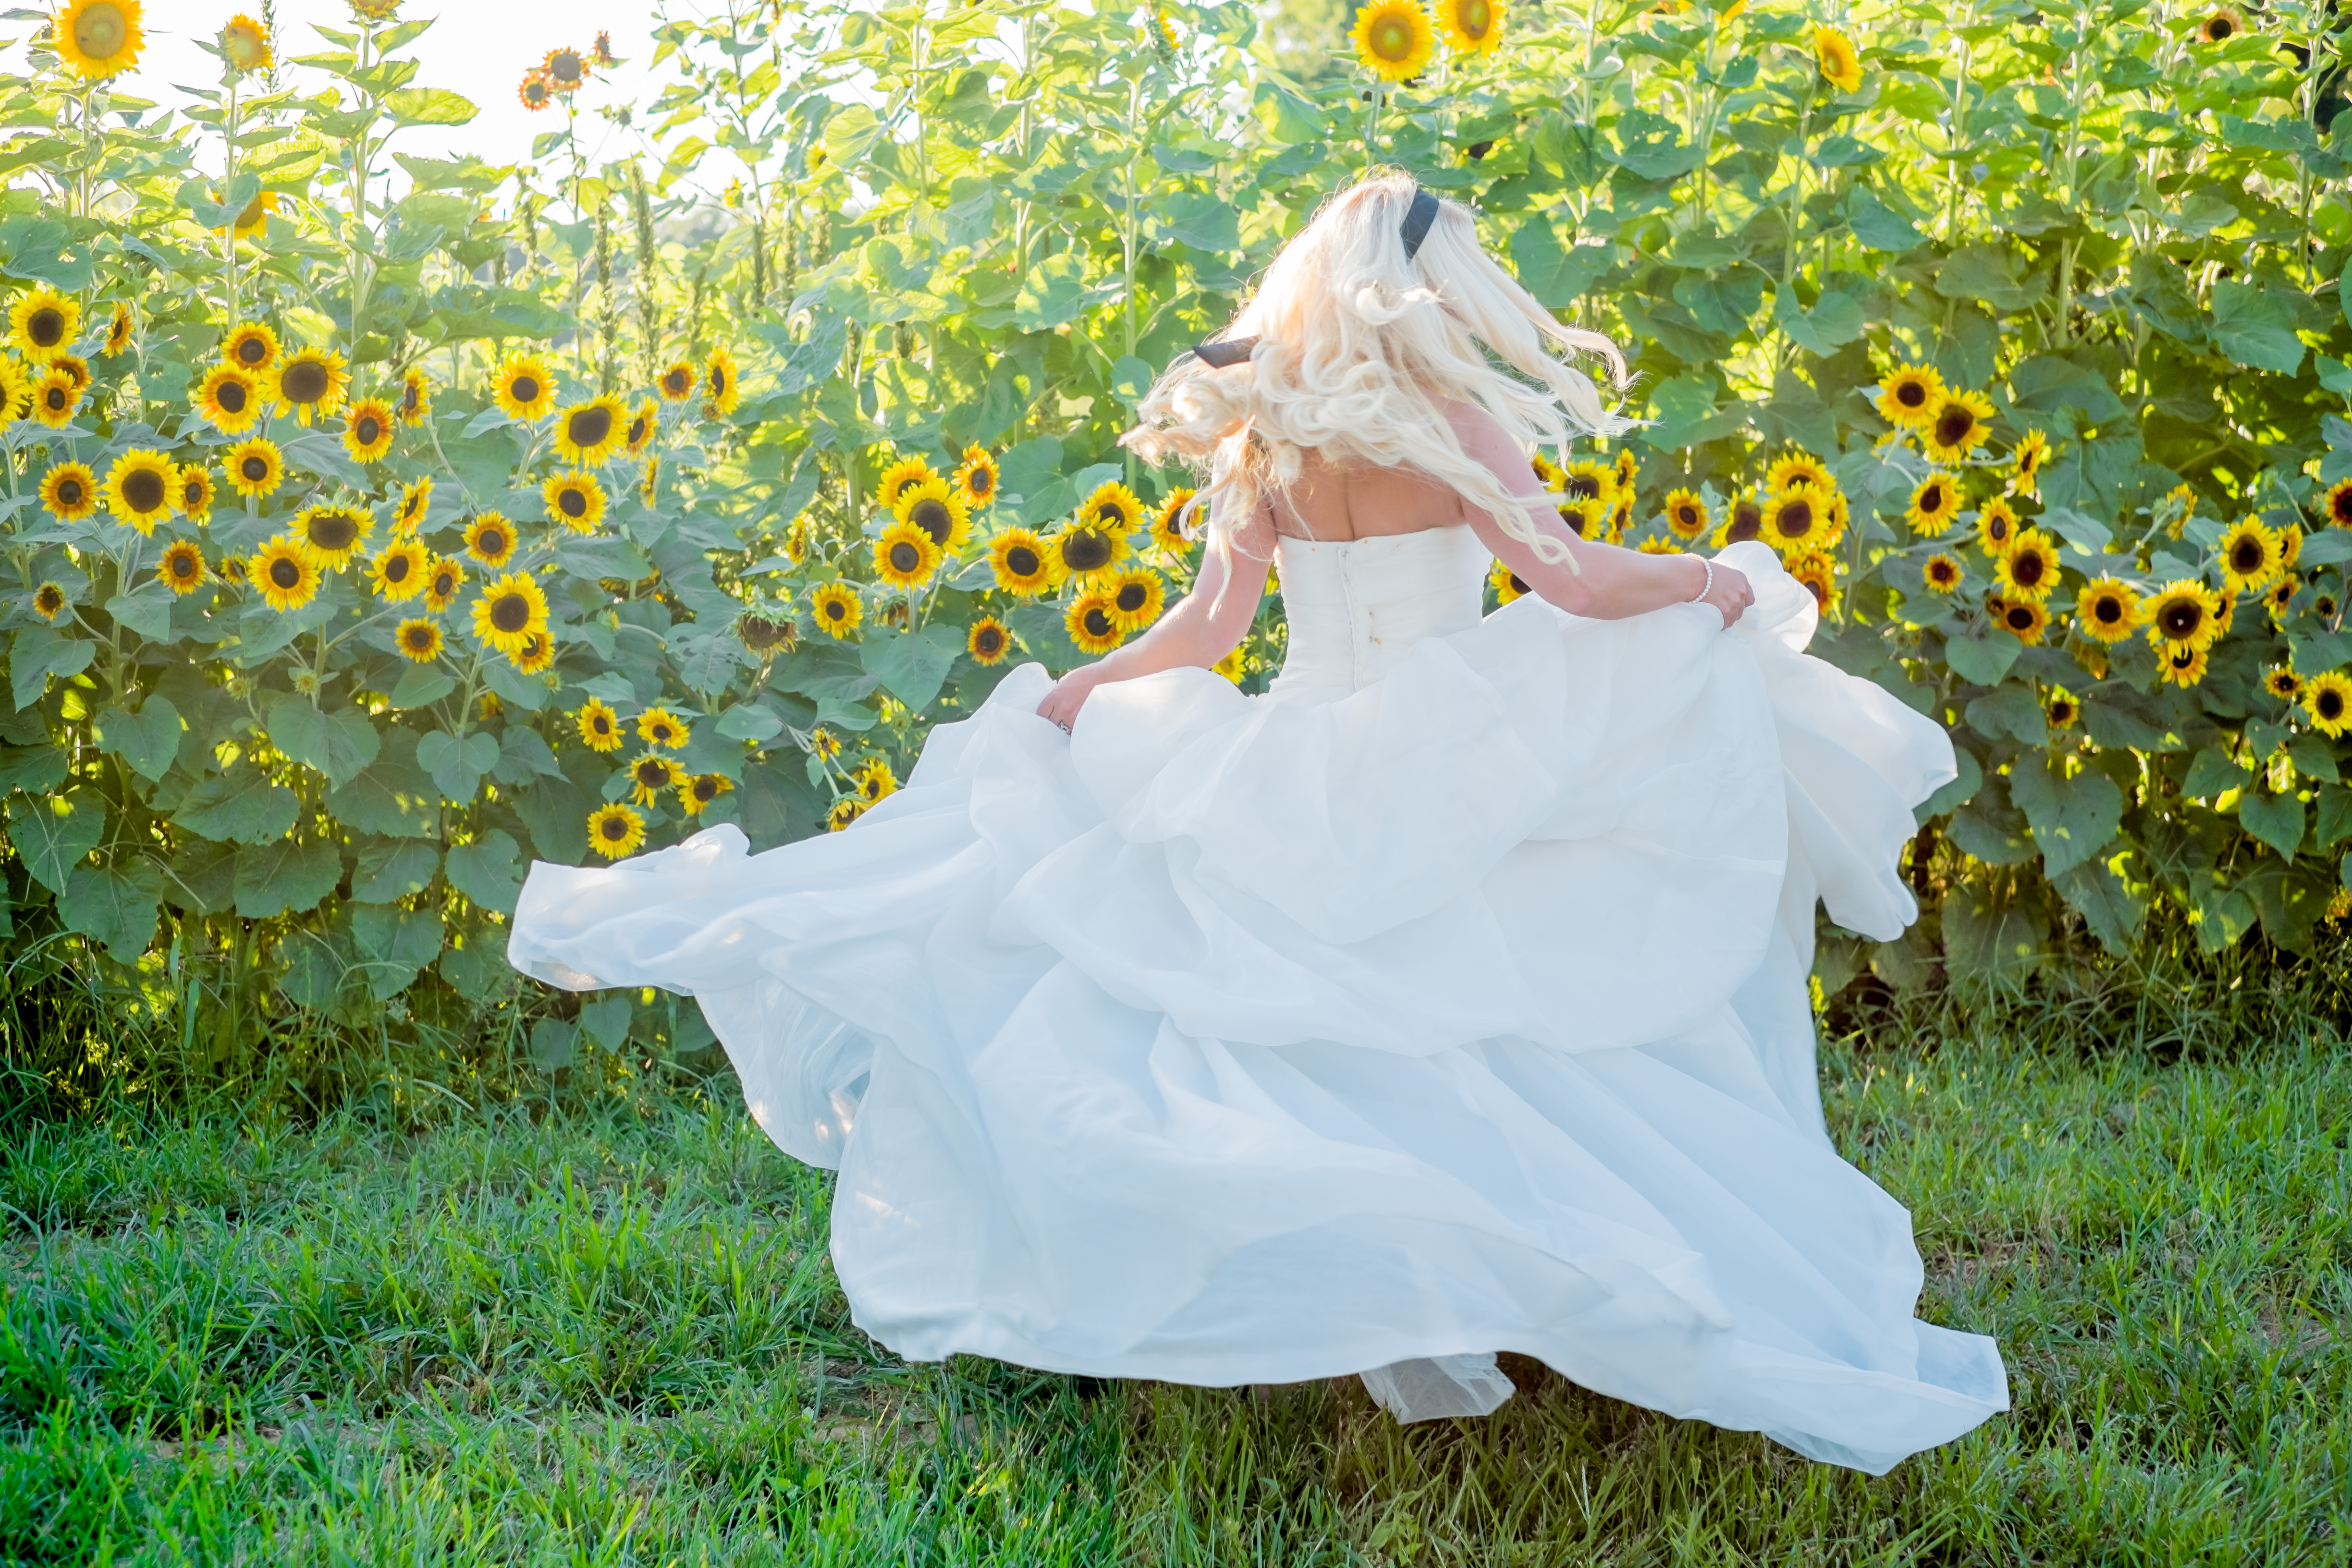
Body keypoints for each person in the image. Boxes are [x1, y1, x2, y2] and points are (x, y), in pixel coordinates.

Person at [507, 172, 2008, 1474]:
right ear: (1423, 292)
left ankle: (1358, 1265)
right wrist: (1713, 581)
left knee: (1296, 1010)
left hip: (1293, 747)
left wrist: (1085, 686)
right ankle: (1501, 1266)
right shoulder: (1456, 428)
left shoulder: (1269, 440)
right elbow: (1575, 588)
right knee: (1478, 1006)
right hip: (1441, 745)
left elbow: (1210, 631)